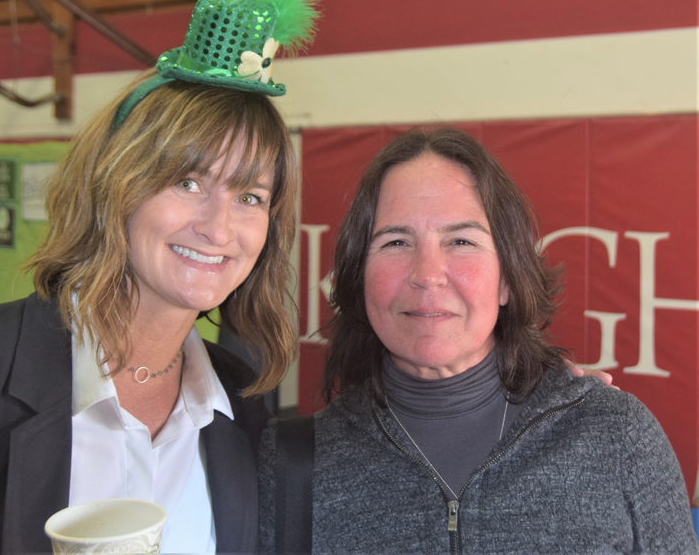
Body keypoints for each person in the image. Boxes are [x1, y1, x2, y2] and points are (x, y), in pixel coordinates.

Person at [0, 0, 317, 555]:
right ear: (115, 186)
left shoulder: (244, 409)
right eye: (187, 182)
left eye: (250, 196)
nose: (219, 227)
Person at [259, 127, 696, 553]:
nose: (427, 275)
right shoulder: (291, 466)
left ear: (508, 279)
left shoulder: (616, 436)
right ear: (358, 278)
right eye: (396, 242)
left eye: (461, 240)